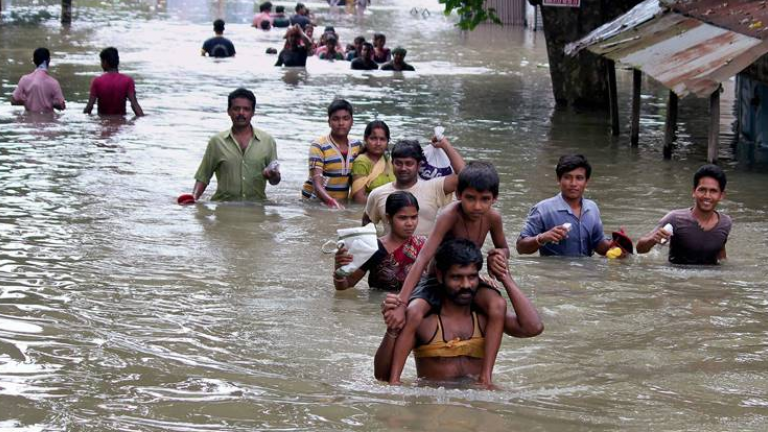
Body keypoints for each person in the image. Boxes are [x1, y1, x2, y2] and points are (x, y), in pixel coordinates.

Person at [385, 162, 515, 387]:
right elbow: (424, 258)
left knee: (498, 306)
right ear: (458, 195)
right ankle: (394, 380)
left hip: (466, 278)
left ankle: (486, 377)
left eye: (485, 199)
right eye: (470, 198)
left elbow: (504, 247)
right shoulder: (449, 215)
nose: (477, 206)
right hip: (437, 279)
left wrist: (499, 255)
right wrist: (401, 302)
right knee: (414, 313)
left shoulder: (493, 218)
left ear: (494, 198)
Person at [375, 238, 542, 385]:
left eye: (472, 277)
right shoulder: (424, 321)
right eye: (457, 277)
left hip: (476, 410)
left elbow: (533, 327)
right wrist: (392, 329)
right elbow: (382, 376)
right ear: (440, 276)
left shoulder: (488, 318)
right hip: (434, 413)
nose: (466, 285)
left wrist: (505, 278)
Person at [190, 88, 280, 201]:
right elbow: (203, 176)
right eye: (236, 109)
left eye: (246, 109)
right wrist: (193, 198)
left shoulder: (268, 141)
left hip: (256, 209)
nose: (241, 113)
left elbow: (275, 181)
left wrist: (273, 175)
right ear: (228, 111)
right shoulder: (216, 142)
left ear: (253, 113)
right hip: (223, 208)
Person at [363, 139, 463, 237]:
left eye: (409, 163)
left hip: (424, 252)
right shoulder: (377, 194)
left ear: (418, 165)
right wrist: (374, 246)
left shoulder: (434, 187)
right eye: (398, 163)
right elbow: (367, 221)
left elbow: (465, 176)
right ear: (392, 163)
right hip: (391, 252)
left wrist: (445, 145)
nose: (403, 168)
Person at [516, 154, 611, 257]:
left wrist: (615, 246)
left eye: (579, 178)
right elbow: (520, 247)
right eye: (567, 177)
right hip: (555, 272)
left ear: (586, 181)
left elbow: (598, 244)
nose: (573, 183)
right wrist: (542, 238)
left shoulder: (592, 208)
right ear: (559, 179)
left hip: (588, 272)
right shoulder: (543, 210)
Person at [636, 164, 732, 264]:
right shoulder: (674, 219)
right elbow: (640, 250)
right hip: (678, 277)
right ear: (694, 192)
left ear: (721, 195)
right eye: (702, 190)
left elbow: (721, 255)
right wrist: (653, 238)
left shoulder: (725, 223)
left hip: (711, 277)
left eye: (713, 191)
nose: (707, 196)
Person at [334, 192, 426, 291]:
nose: (410, 223)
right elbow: (346, 285)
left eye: (414, 217)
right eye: (402, 218)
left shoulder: (425, 246)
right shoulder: (373, 248)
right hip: (379, 305)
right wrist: (339, 269)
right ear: (388, 218)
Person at [301, 99, 363, 208]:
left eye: (346, 118)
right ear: (329, 122)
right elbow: (317, 183)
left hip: (341, 203)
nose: (341, 123)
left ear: (352, 121)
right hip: (313, 203)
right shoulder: (318, 146)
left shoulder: (357, 146)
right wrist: (331, 202)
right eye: (335, 119)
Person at [83, 47, 144, 116]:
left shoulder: (97, 81)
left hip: (102, 123)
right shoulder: (128, 81)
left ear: (105, 62)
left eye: (101, 62)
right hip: (121, 122)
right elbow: (134, 105)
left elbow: (89, 107)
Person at [10, 47, 66, 114]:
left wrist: (28, 100)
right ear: (48, 60)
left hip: (28, 120)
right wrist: (49, 101)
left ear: (34, 61)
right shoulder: (53, 83)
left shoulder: (24, 80)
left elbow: (14, 100)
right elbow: (61, 105)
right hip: (48, 121)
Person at [351, 120, 394, 204]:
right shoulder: (361, 162)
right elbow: (359, 199)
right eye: (373, 138)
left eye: (382, 139)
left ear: (387, 141)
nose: (378, 143)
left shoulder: (388, 160)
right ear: (366, 139)